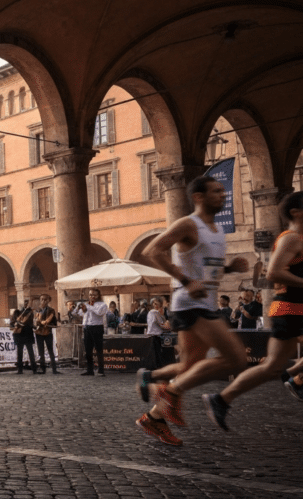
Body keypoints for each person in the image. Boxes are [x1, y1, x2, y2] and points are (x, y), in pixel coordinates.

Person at [135, 176, 249, 445]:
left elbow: (209, 267)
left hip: (204, 303)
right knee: (236, 359)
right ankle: (169, 391)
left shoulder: (217, 229)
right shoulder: (188, 224)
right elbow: (153, 251)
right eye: (216, 191)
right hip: (190, 303)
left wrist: (231, 268)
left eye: (223, 191)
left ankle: (155, 418)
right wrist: (187, 281)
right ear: (198, 197)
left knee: (189, 366)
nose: (223, 195)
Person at [203, 191, 303, 429]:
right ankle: (221, 398)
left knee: (271, 367)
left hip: (295, 308)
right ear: (295, 211)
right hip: (289, 308)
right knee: (271, 367)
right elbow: (274, 272)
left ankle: (294, 379)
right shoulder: (291, 239)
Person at [78, 289, 107, 376]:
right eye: (90, 295)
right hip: (87, 327)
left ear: (98, 295)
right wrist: (79, 308)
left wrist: (89, 306)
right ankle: (89, 370)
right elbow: (81, 314)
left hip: (97, 328)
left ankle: (101, 370)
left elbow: (99, 313)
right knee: (88, 350)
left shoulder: (102, 304)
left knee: (99, 350)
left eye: (94, 295)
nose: (92, 297)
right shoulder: (87, 304)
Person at [33, 294, 58, 374]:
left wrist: (43, 321)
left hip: (47, 332)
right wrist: (37, 320)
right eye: (42, 299)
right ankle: (43, 369)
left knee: (50, 350)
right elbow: (36, 320)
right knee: (41, 351)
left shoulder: (51, 310)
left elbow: (49, 319)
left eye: (45, 299)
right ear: (40, 300)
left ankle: (54, 369)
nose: (43, 301)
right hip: (39, 332)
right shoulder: (37, 310)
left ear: (48, 300)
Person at [10, 302, 37, 374]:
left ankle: (34, 369)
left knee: (30, 351)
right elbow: (12, 323)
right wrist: (14, 325)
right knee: (20, 352)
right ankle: (20, 369)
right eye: (25, 303)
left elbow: (31, 323)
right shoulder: (17, 312)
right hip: (19, 334)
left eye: (27, 303)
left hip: (27, 333)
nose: (26, 304)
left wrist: (33, 326)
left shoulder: (30, 312)